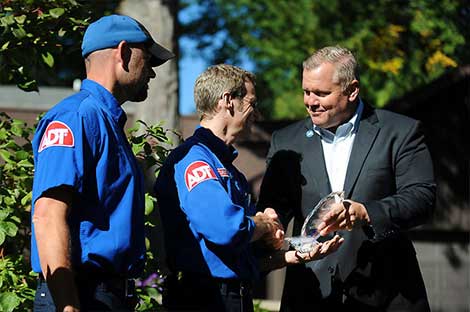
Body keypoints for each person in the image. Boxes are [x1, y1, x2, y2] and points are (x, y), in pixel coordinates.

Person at [258, 46, 436, 311]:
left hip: (388, 293)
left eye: (321, 93)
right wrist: (270, 226)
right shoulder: (286, 141)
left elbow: (422, 198)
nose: (310, 101)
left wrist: (366, 213)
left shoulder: (400, 132)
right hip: (311, 295)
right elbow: (272, 210)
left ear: (352, 90)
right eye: (306, 91)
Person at [155, 64, 343, 312]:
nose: (257, 115)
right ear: (228, 101)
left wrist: (296, 255)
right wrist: (264, 223)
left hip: (231, 296)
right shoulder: (196, 161)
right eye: (252, 104)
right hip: (205, 298)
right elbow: (225, 229)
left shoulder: (229, 170)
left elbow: (241, 257)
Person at [31, 14, 174, 312]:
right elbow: (47, 215)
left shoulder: (105, 121)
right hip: (81, 294)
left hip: (105, 295)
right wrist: (68, 305)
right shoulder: (77, 116)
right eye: (147, 60)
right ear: (123, 53)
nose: (152, 73)